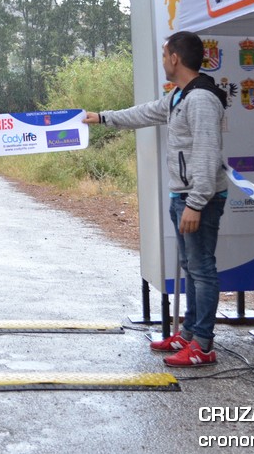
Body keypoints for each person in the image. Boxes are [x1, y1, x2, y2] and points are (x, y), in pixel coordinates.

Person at [83, 30, 228, 367]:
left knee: (202, 269)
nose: (163, 61)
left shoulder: (201, 99)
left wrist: (196, 203)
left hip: (198, 199)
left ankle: (203, 345)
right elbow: (146, 113)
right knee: (191, 267)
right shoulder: (180, 95)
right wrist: (102, 117)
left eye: (164, 55)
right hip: (184, 195)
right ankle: (189, 335)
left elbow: (207, 154)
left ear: (175, 58)